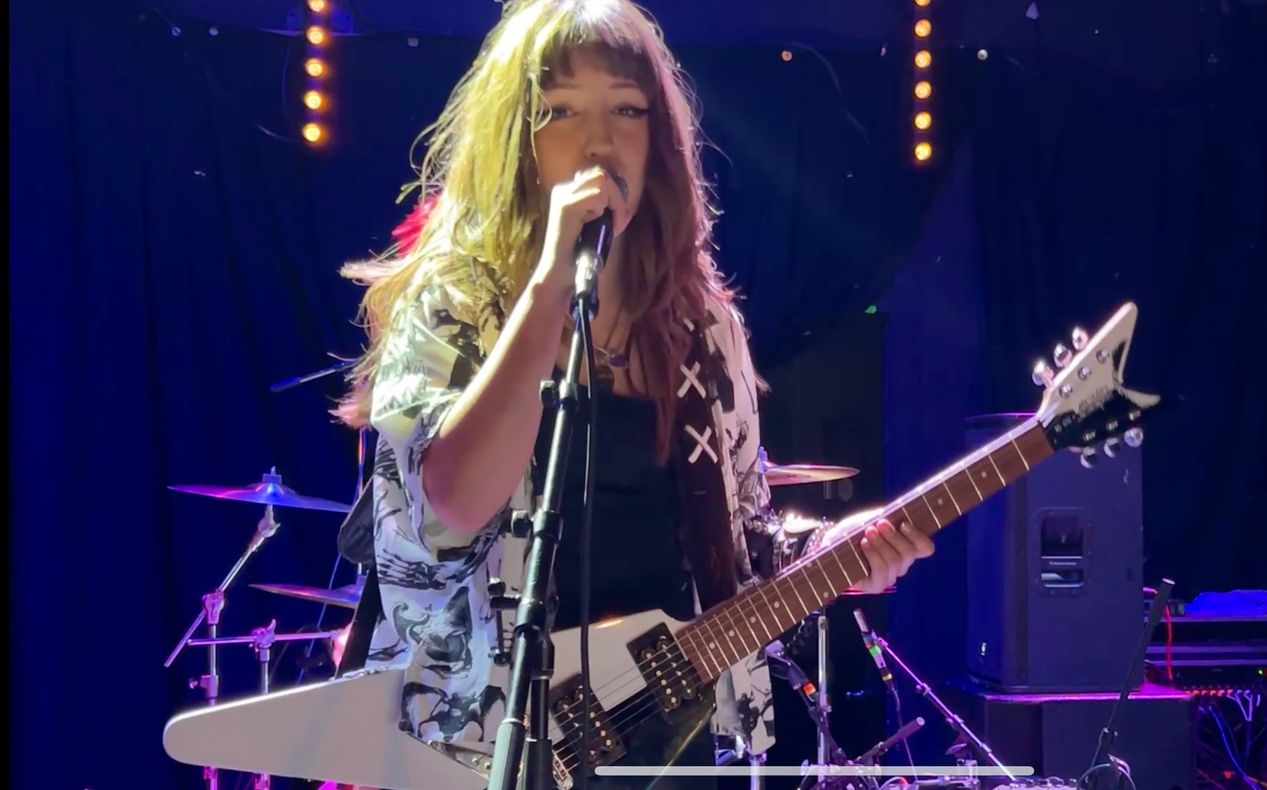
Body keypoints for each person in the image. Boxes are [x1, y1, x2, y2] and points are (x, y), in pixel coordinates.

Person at [333, 0, 934, 785]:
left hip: (667, 738)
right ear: (514, 141)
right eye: (560, 111)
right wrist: (550, 285)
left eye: (626, 109)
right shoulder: (454, 305)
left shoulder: (703, 332)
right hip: (479, 738)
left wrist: (834, 555)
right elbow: (449, 504)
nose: (599, 140)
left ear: (659, 142)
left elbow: (742, 546)